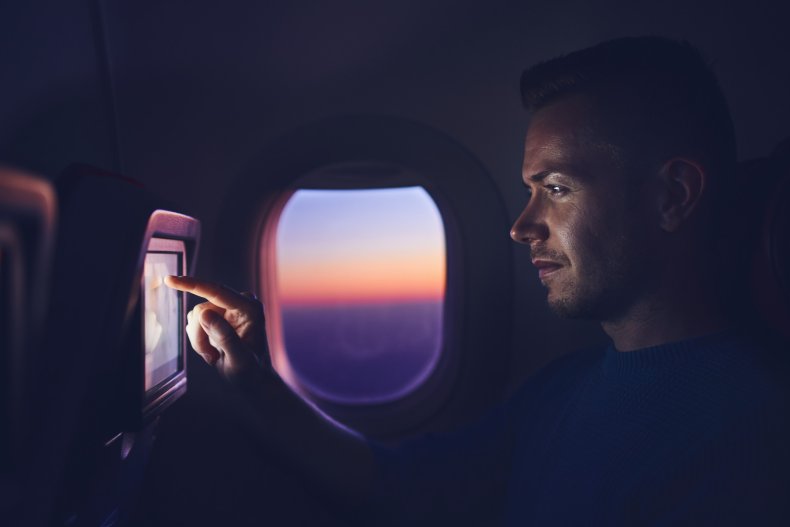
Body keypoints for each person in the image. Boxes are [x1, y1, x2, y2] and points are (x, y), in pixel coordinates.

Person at [166, 36, 790, 525]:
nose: (522, 227)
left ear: (673, 196)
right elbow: (405, 489)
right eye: (529, 191)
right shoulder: (566, 389)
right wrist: (256, 381)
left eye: (556, 189)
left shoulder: (750, 440)